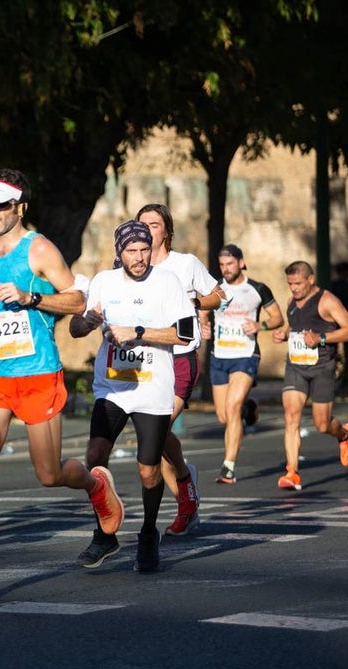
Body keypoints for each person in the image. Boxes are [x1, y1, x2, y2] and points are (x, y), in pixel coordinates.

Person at [0, 170, 123, 598]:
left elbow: (77, 300)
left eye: (2, 205)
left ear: (20, 207)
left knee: (49, 472)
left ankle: (96, 485)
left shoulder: (38, 248)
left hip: (38, 372)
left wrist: (31, 298)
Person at [69, 220, 193, 572]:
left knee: (148, 470)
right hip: (112, 388)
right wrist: (89, 320)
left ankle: (148, 533)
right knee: (95, 458)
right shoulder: (104, 282)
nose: (139, 258)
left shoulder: (167, 282)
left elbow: (186, 335)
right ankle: (104, 534)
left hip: (152, 389)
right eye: (131, 251)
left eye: (144, 250)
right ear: (118, 252)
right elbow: (77, 330)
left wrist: (138, 332)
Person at [135, 203, 225, 536]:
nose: (146, 228)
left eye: (154, 224)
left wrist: (194, 303)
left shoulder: (185, 264)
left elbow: (218, 294)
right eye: (141, 223)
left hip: (181, 357)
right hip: (148, 361)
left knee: (156, 432)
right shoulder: (133, 267)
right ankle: (186, 484)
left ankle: (184, 498)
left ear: (167, 231)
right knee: (153, 437)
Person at [271, 261, 348, 490]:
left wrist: (320, 339)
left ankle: (344, 435)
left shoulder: (327, 301)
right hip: (296, 366)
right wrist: (284, 334)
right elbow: (296, 326)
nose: (294, 288)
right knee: (291, 417)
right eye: (290, 284)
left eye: (298, 283)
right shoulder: (291, 301)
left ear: (311, 280)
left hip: (322, 367)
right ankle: (292, 472)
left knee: (322, 424)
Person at [203, 244, 284, 486]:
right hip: (219, 356)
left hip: (246, 354)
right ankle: (249, 408)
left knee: (231, 406)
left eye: (230, 264)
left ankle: (228, 467)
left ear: (241, 262)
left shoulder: (257, 289)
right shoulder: (215, 288)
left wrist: (261, 326)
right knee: (223, 415)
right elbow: (203, 312)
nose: (225, 269)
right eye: (222, 265)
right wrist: (203, 326)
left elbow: (277, 317)